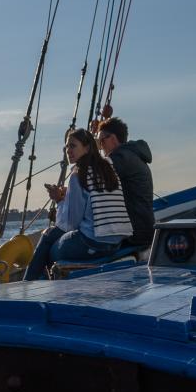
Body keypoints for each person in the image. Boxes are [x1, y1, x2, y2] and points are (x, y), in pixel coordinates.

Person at [24, 128, 132, 280]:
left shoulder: (78, 175)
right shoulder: (108, 169)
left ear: (87, 148)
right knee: (52, 236)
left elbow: (71, 224)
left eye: (72, 146)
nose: (68, 150)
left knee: (49, 240)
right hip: (116, 242)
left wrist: (59, 200)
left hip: (93, 243)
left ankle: (28, 285)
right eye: (66, 147)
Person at [97, 117, 155, 247]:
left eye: (101, 141)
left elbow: (94, 181)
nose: (101, 147)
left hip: (134, 235)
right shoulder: (133, 155)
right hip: (145, 229)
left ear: (112, 138)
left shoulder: (120, 159)